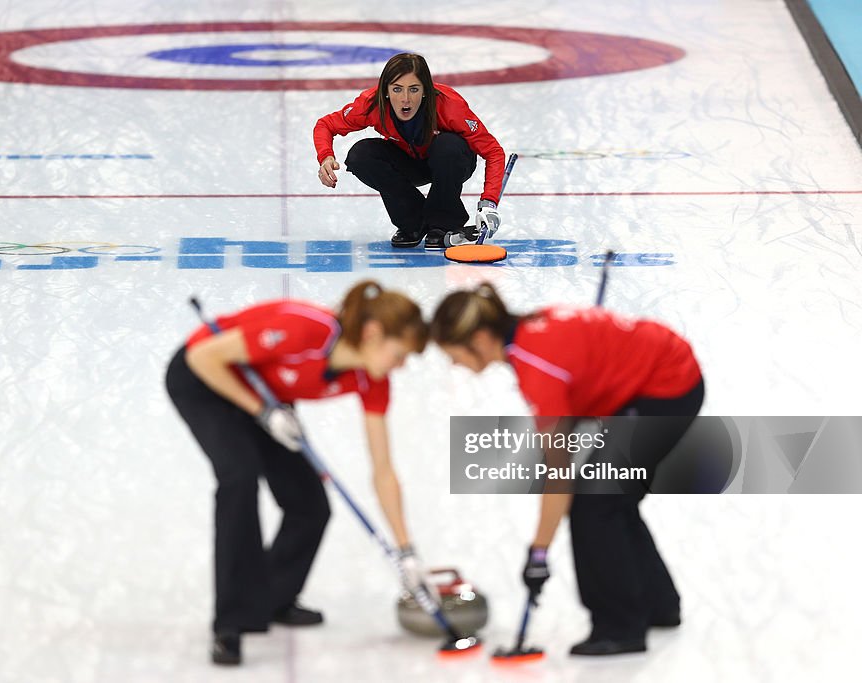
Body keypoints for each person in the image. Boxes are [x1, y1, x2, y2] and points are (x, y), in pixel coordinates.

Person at [165, 280, 433, 666]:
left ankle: (272, 598)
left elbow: (383, 470)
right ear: (373, 334)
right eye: (400, 353)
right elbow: (203, 358)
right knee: (239, 476)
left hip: (268, 399)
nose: (402, 365)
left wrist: (407, 552)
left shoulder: (372, 379)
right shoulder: (305, 329)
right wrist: (262, 412)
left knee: (309, 504)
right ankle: (231, 623)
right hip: (206, 379)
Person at [431, 284, 704, 656]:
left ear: (479, 338)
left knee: (596, 504)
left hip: (665, 387)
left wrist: (538, 553)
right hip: (660, 374)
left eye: (454, 354)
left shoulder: (537, 366)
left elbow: (558, 479)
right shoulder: (529, 336)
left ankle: (620, 628)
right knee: (611, 498)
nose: (454, 364)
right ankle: (659, 607)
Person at [313, 52, 506, 250]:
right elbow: (325, 125)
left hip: (450, 162)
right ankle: (413, 222)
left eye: (413, 89)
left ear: (425, 90)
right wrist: (325, 156)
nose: (405, 99)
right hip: (409, 163)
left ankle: (443, 224)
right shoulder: (371, 103)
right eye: (397, 89)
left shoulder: (449, 105)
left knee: (447, 145)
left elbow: (493, 151)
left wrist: (489, 202)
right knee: (360, 155)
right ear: (385, 91)